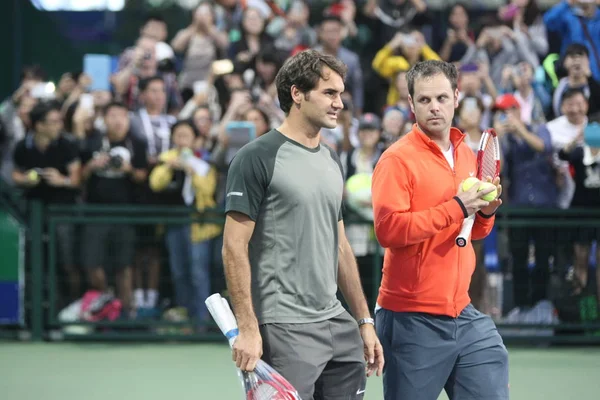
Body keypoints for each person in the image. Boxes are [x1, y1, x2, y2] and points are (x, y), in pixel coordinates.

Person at [222, 49, 383, 400]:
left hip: (337, 325)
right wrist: (248, 328)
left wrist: (363, 321)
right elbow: (233, 247)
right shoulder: (255, 157)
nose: (339, 103)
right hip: (284, 327)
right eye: (329, 93)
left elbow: (340, 245)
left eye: (340, 93)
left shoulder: (331, 157)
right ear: (297, 94)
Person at [371, 60, 508, 400]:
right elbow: (389, 230)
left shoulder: (466, 154)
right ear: (411, 103)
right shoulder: (395, 159)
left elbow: (471, 232)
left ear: (457, 97)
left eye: (442, 98)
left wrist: (485, 213)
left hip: (464, 312)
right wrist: (458, 207)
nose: (435, 107)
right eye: (425, 100)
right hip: (411, 318)